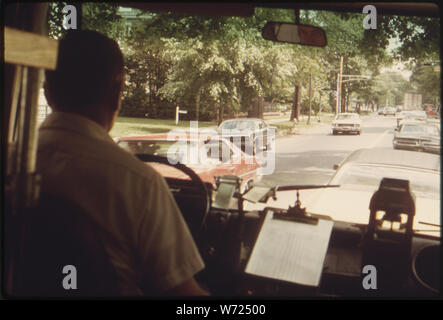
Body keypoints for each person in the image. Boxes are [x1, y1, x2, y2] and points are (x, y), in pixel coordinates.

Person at [38, 30, 208, 296]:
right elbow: (183, 296)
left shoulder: (13, 160)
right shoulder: (139, 183)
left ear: (48, 94)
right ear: (116, 91)